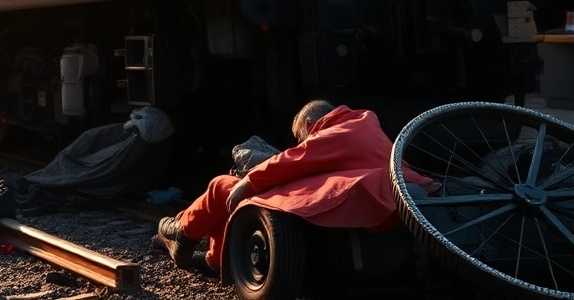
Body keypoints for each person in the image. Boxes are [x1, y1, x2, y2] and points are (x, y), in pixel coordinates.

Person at [154, 100, 433, 274]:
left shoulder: (338, 131)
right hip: (355, 200)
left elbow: (296, 157)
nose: (301, 143)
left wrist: (249, 181)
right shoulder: (370, 129)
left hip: (321, 205)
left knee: (222, 187)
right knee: (233, 198)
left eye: (301, 137)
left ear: (311, 125)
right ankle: (201, 246)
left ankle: (182, 234)